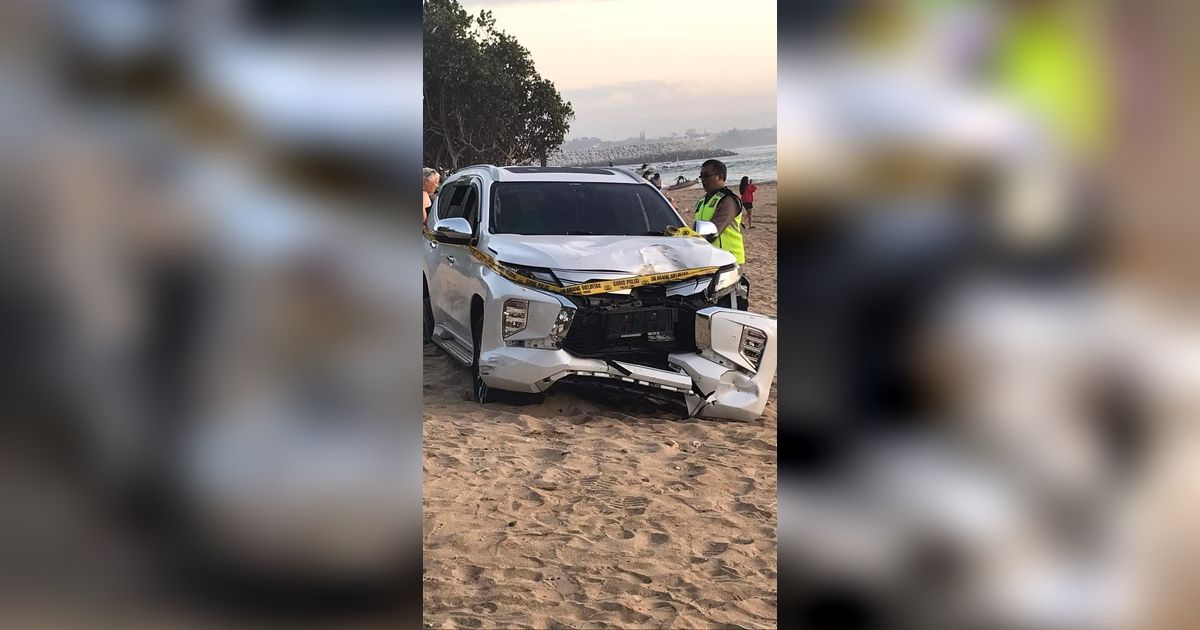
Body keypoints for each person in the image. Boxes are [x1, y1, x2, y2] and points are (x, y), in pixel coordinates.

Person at [695, 159, 747, 309]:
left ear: (720, 177)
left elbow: (714, 229)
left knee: (729, 304)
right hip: (709, 260)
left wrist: (693, 242)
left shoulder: (728, 200)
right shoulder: (701, 202)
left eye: (706, 175)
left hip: (729, 260)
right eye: (701, 176)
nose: (703, 180)